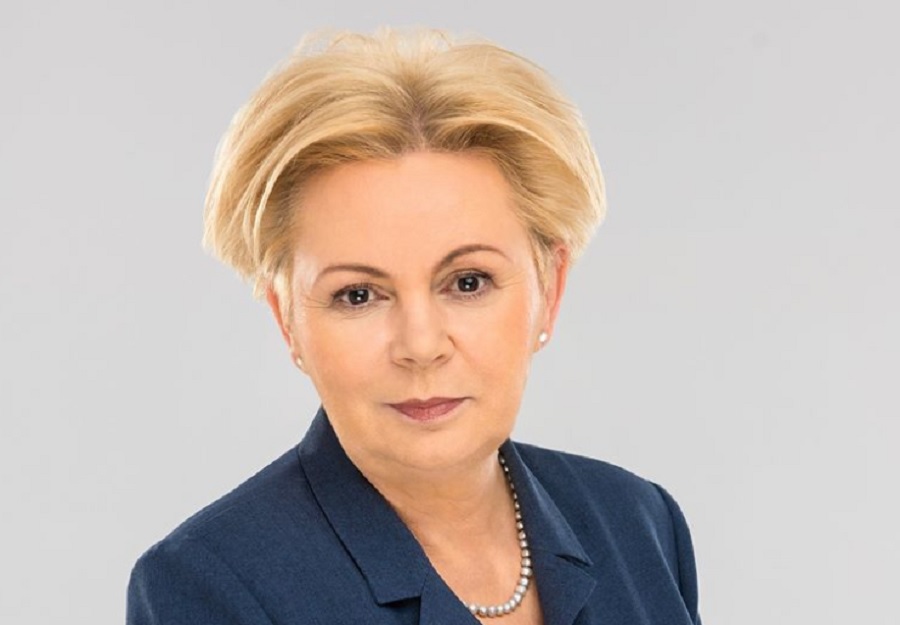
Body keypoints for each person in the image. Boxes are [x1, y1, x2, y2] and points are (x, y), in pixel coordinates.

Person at [127, 28, 702, 625]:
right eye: (358, 295)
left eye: (468, 282)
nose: (421, 346)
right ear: (287, 320)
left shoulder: (637, 524)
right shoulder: (211, 586)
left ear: (549, 291)